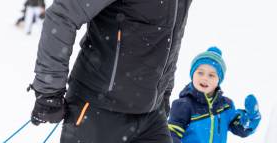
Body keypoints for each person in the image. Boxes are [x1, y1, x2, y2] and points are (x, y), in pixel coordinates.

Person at [26, 0, 194, 142]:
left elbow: (173, 39)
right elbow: (63, 15)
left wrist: (164, 92)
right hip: (98, 108)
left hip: (151, 117)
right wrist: (49, 91)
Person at [167, 47, 262, 143]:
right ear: (192, 75)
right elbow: (171, 135)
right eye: (200, 73)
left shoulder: (225, 106)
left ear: (218, 80)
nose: (205, 78)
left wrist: (252, 117)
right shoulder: (183, 105)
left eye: (211, 75)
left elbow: (241, 129)